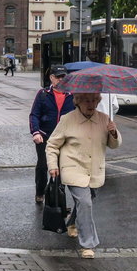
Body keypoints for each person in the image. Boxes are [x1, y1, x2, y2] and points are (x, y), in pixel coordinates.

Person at [46, 92, 121, 259]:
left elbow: (114, 145)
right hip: (73, 168)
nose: (91, 104)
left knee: (86, 200)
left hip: (94, 170)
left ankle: (72, 222)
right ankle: (88, 245)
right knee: (85, 202)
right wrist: (52, 165)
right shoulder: (67, 119)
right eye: (87, 100)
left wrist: (114, 132)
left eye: (94, 100)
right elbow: (52, 144)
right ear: (78, 101)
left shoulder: (104, 118)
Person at [29, 65, 75, 203]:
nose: (61, 79)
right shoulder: (43, 94)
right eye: (58, 77)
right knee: (43, 166)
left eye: (64, 77)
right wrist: (35, 132)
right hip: (45, 136)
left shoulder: (72, 96)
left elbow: (79, 116)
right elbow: (34, 115)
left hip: (64, 138)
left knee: (62, 168)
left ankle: (57, 198)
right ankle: (40, 191)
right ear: (51, 78)